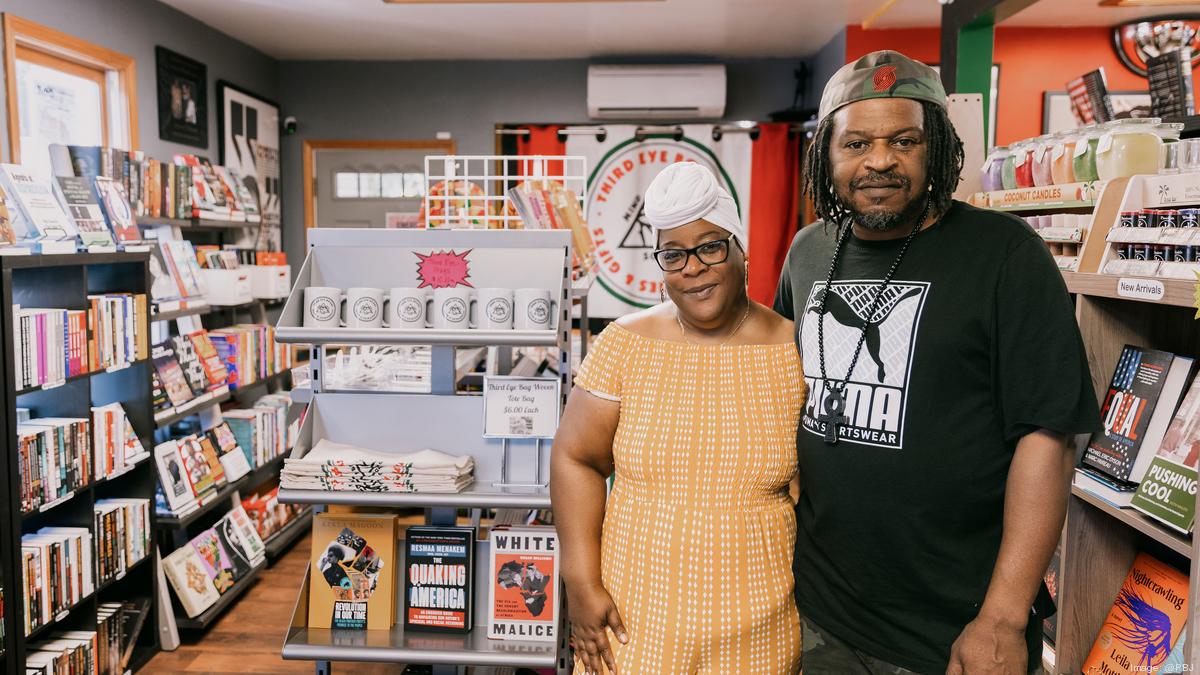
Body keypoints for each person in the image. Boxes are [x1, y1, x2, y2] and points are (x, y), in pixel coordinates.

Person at [774, 51, 1100, 674]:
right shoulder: (808, 251)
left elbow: (1049, 438)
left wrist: (1002, 618)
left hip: (953, 630)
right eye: (857, 143)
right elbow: (785, 390)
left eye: (905, 140)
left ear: (938, 148)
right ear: (825, 155)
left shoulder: (1006, 255)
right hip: (819, 613)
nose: (879, 160)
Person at [551, 162, 804, 675]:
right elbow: (576, 458)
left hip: (762, 629)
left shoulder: (794, 348)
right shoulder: (626, 343)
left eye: (710, 247)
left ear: (741, 248)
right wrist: (580, 582)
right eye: (674, 254)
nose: (692, 267)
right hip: (633, 625)